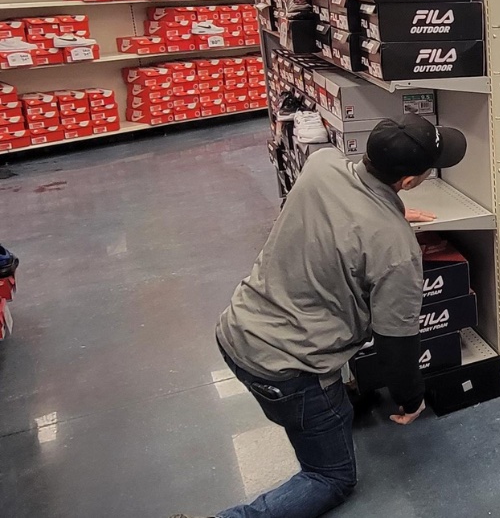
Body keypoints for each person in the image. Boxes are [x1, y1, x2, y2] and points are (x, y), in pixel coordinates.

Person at [175, 113, 467, 518]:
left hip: (236, 330)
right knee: (330, 479)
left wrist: (389, 215)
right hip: (287, 371)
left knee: (334, 408)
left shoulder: (322, 163)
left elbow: (345, 213)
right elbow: (395, 345)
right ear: (408, 182)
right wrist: (411, 398)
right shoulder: (397, 251)